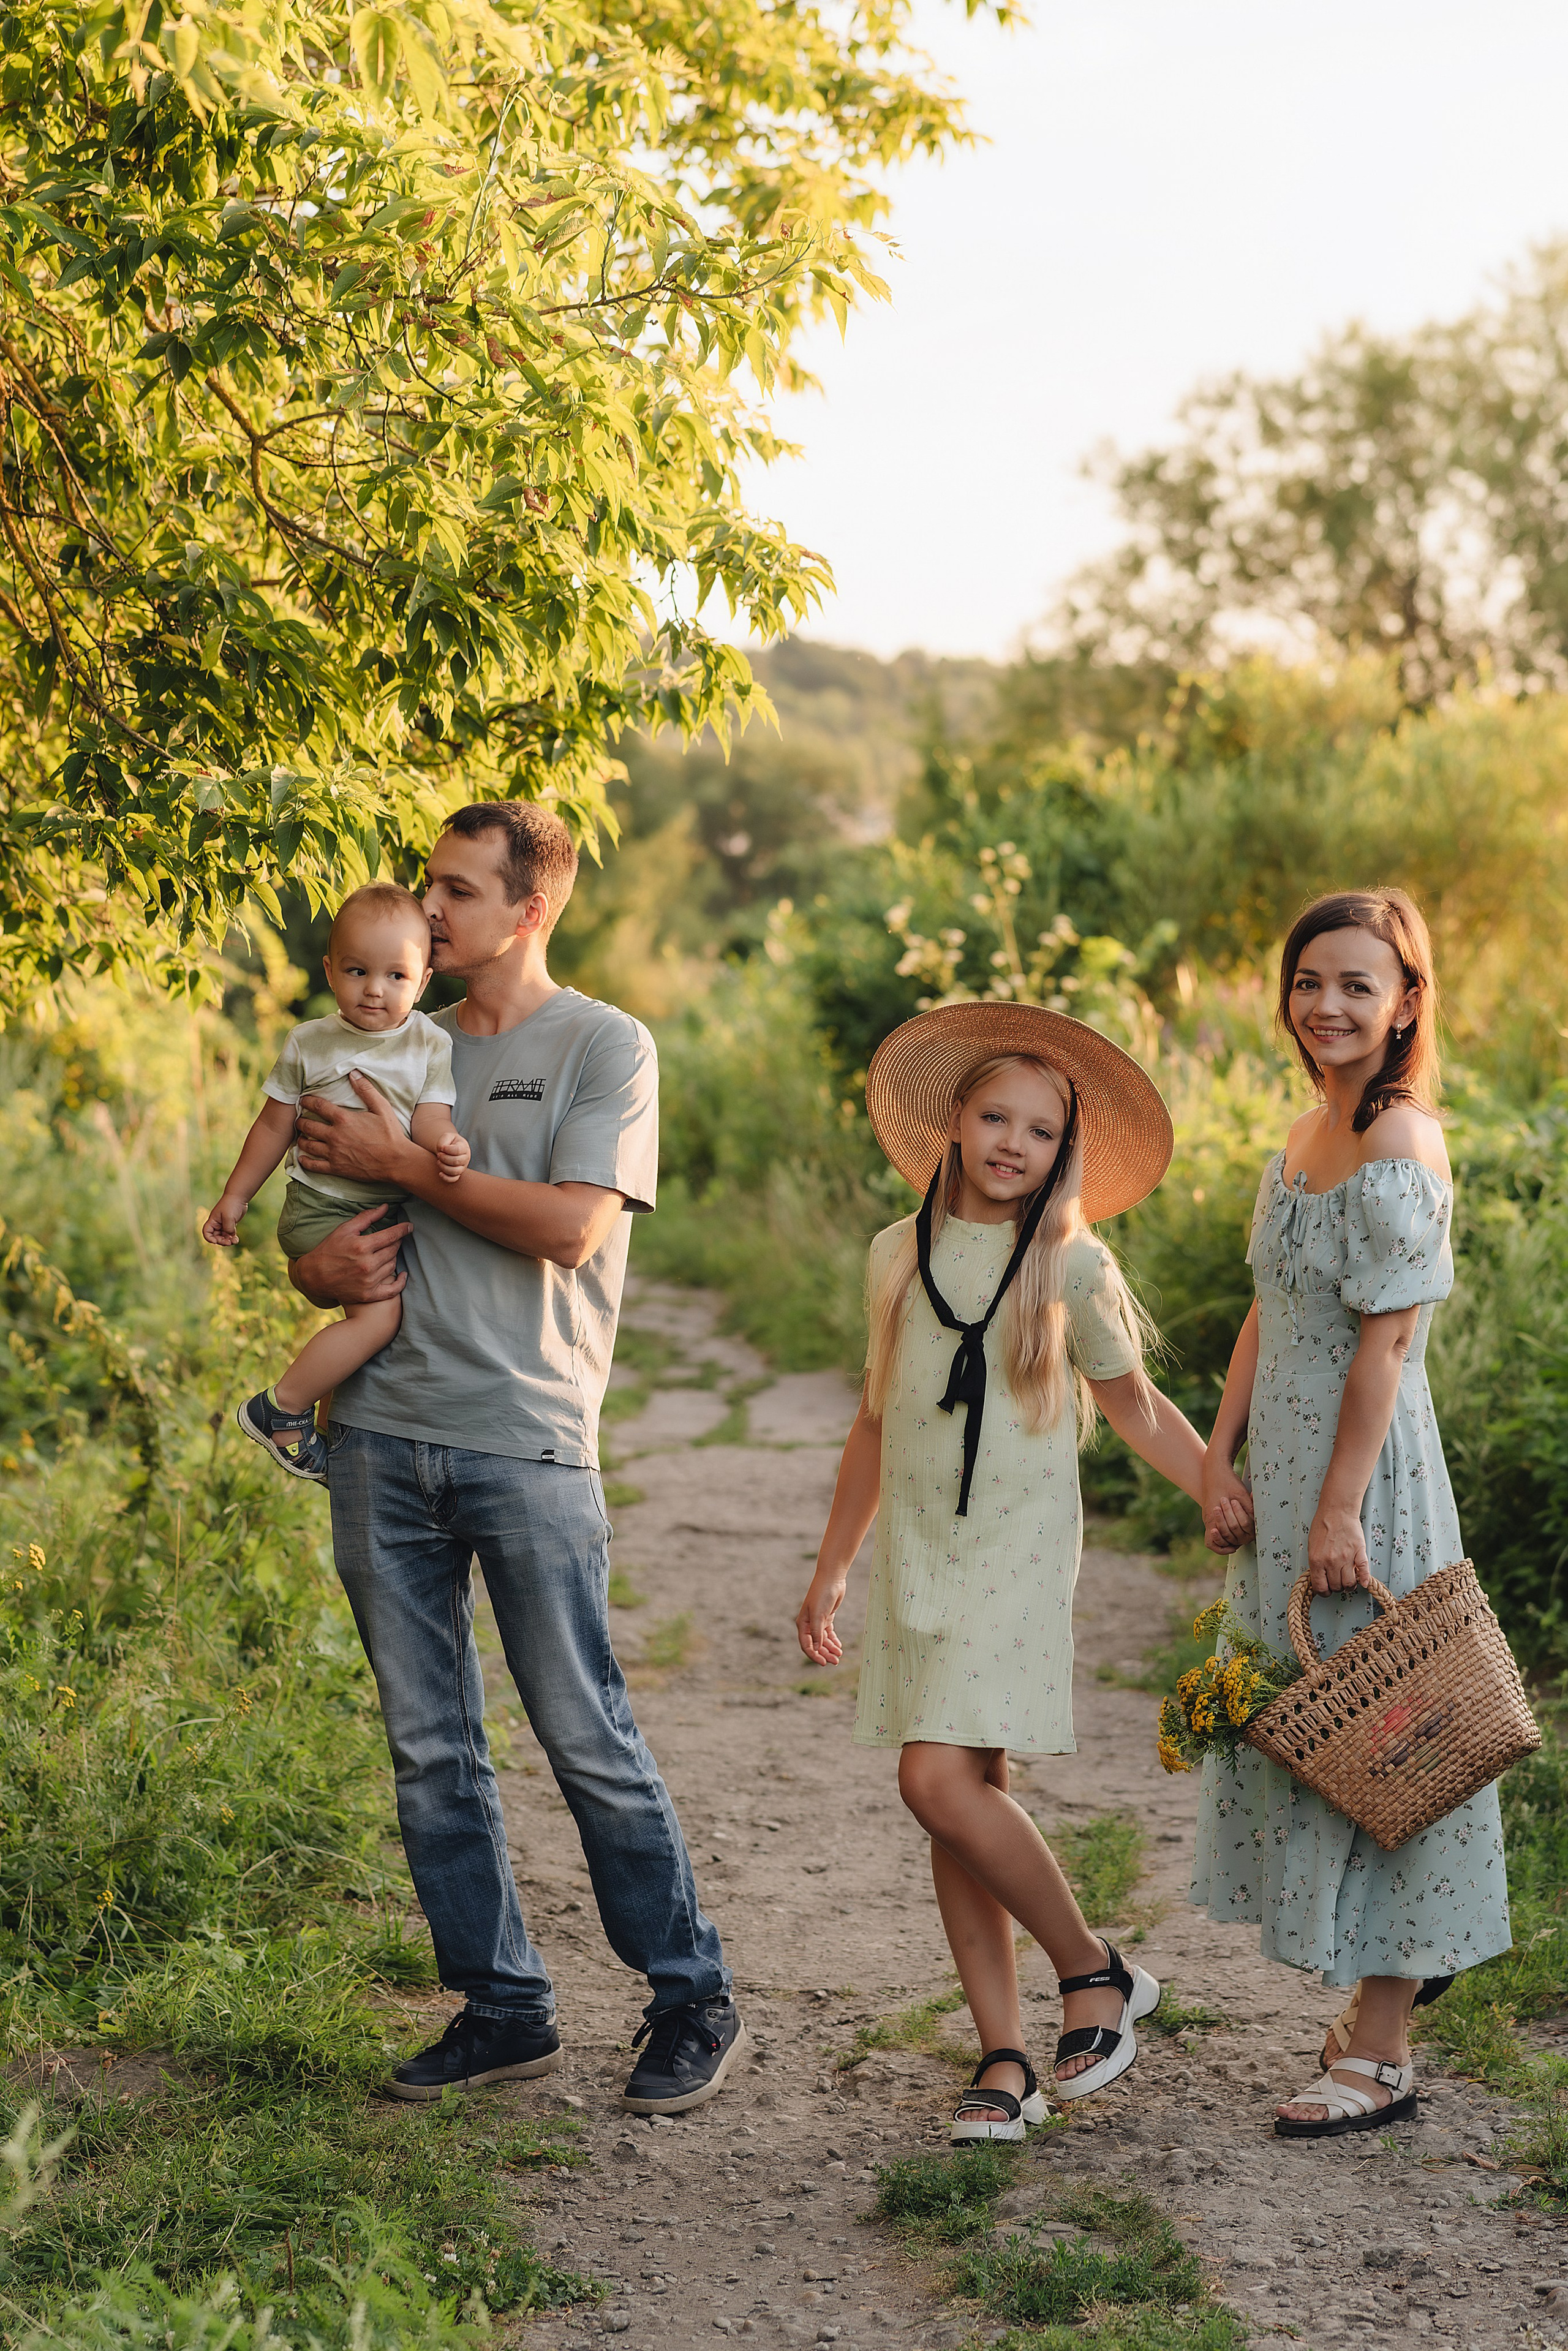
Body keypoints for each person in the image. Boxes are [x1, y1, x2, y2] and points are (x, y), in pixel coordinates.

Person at [284, 802, 742, 2113]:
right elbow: (317, 1215)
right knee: (430, 1746)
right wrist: (310, 1262)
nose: (428, 912)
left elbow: (570, 1231)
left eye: (460, 892)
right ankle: (502, 2006)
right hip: (375, 1430)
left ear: (531, 908)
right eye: (426, 886)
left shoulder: (603, 1044)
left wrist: (406, 1170)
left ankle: (688, 1990)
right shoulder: (382, 1038)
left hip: (529, 1438)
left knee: (580, 1727)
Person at [796, 1003, 1215, 2140]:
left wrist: (1219, 1489)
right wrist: (834, 1564)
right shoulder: (897, 1250)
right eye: (994, 1115)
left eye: (1039, 1128)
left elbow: (1134, 1402)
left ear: (1061, 1153)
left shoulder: (1069, 1261)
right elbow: (877, 1421)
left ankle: (1095, 1969)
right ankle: (1007, 2057)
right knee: (962, 1806)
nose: (1012, 1142)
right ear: (954, 1122)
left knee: (932, 1782)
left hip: (1017, 1556)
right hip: (921, 1554)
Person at [1197, 887, 1511, 2139]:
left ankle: (1379, 2048)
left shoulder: (1398, 1144)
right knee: (1317, 1736)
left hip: (1362, 1483)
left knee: (1392, 1743)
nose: (1324, 1005)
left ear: (1403, 1003)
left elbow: (1383, 1345)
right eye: (1306, 981)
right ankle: (1375, 1989)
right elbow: (1268, 1310)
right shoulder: (1301, 1130)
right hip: (1280, 1477)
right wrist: (1216, 1460)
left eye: (1354, 986)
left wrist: (1334, 1511)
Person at [202, 884, 469, 1484]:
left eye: (396, 975)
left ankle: (321, 1430)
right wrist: (235, 1196)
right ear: (330, 970)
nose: (375, 988)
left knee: (371, 1321)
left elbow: (429, 1119)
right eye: (357, 970)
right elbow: (274, 1124)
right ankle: (281, 1408)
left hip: (375, 1209)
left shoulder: (430, 1042)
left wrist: (448, 1145)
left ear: (423, 981)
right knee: (377, 1321)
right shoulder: (311, 1041)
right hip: (322, 1208)